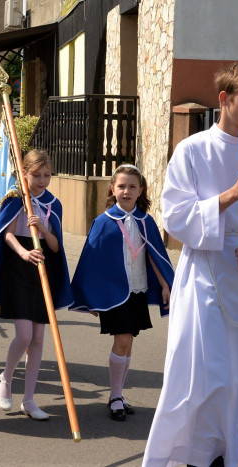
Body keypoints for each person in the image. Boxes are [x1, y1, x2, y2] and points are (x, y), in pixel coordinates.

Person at [144, 62, 238, 467]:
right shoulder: (192, 150)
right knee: (199, 374)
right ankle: (178, 456)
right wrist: (227, 197)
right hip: (203, 274)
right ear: (225, 99)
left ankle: (218, 457)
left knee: (233, 381)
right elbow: (174, 216)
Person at [70, 164, 174, 421]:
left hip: (136, 289)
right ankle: (115, 396)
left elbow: (154, 256)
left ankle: (118, 394)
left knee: (128, 344)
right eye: (121, 186)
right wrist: (90, 297)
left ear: (140, 191)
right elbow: (90, 261)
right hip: (114, 292)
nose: (126, 191)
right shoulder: (104, 222)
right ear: (112, 189)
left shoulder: (146, 221)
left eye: (132, 186)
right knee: (123, 340)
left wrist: (165, 284)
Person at [0, 149, 73, 421]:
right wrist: (23, 253)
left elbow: (56, 247)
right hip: (18, 268)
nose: (42, 180)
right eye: (36, 175)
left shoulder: (54, 203)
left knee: (39, 339)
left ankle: (29, 400)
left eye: (47, 175)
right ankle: (5, 378)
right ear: (24, 174)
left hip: (42, 269)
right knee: (24, 335)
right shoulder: (16, 199)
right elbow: (6, 235)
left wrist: (43, 230)